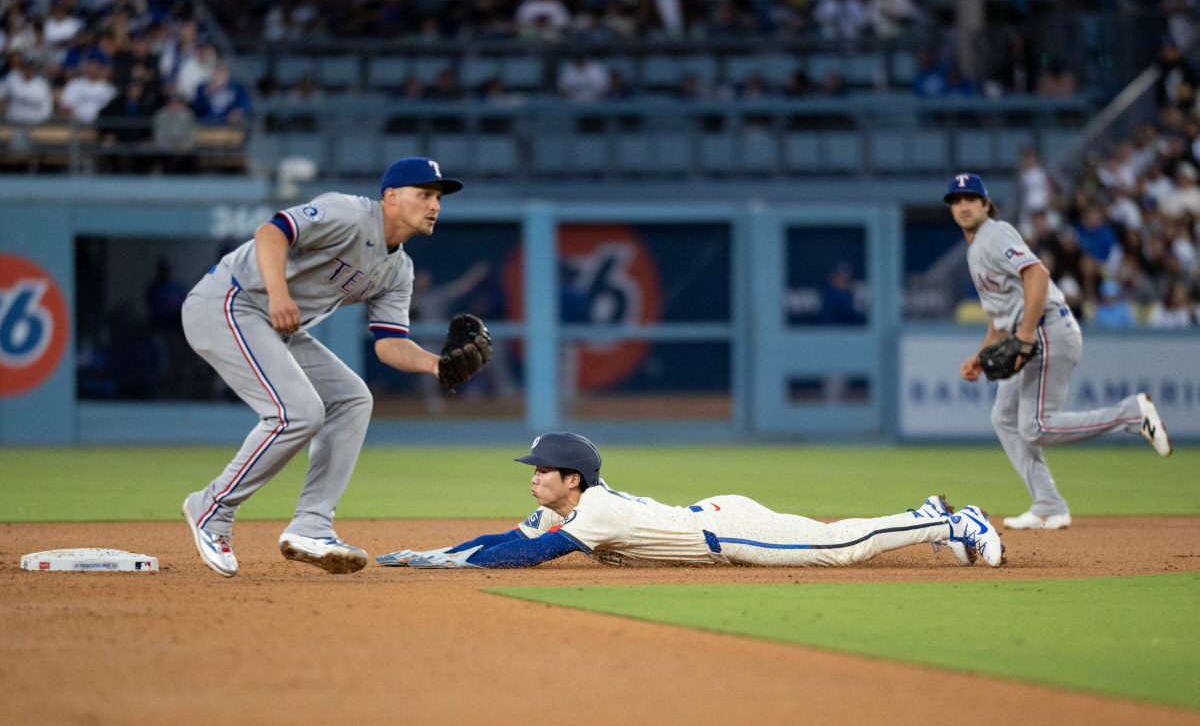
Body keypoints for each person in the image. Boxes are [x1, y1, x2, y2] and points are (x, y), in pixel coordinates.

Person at [180, 157, 483, 578]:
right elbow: (272, 231)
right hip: (229, 301)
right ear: (391, 197)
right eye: (425, 194)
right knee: (298, 412)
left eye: (438, 198)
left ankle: (311, 526)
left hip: (273, 323)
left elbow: (390, 343)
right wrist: (278, 293)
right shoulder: (350, 213)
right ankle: (212, 508)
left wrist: (436, 366)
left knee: (353, 398)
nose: (434, 205)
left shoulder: (399, 269)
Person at [377, 432, 1004, 570]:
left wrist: (450, 565)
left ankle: (946, 522)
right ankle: (928, 518)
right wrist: (433, 552)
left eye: (541, 471)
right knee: (831, 535)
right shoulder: (562, 507)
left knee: (835, 548)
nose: (532, 478)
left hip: (724, 533)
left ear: (572, 478)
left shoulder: (592, 512)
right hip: (714, 514)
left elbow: (523, 558)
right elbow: (502, 540)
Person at [948, 173, 1172, 532]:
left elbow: (1036, 274)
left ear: (986, 204)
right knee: (1004, 418)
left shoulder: (995, 232)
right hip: (1030, 332)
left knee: (1035, 426)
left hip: (1046, 328)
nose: (963, 205)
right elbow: (998, 319)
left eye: (970, 199)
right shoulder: (976, 251)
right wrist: (980, 355)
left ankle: (1131, 414)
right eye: (956, 200)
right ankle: (1049, 504)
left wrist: (1023, 335)